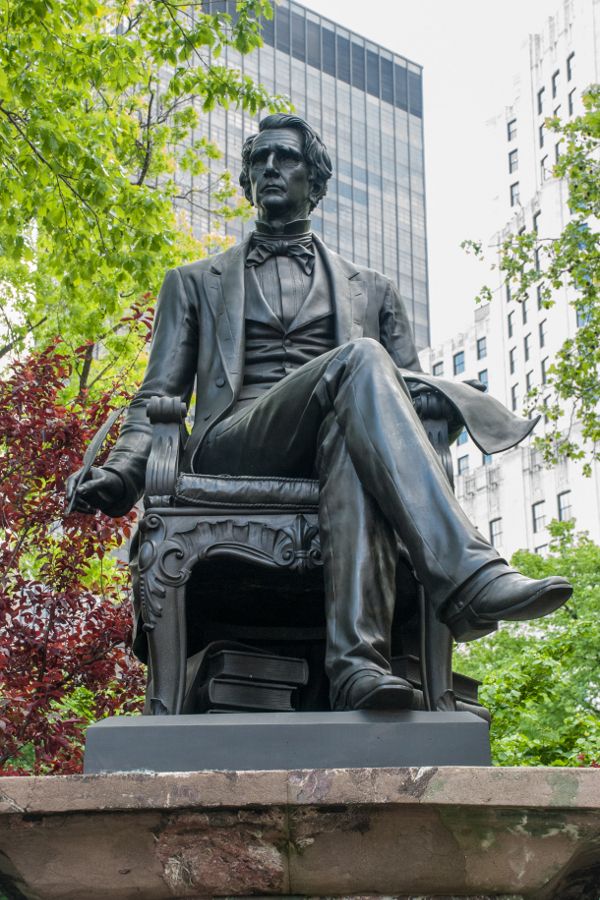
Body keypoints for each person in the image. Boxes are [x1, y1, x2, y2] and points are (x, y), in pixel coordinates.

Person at [67, 114, 572, 711]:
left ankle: (358, 665)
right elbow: (157, 398)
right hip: (235, 443)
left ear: (317, 180)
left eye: (287, 159)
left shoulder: (375, 289)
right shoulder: (193, 282)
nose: (271, 170)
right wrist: (124, 473)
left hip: (338, 444)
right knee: (359, 359)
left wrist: (438, 399)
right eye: (260, 161)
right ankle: (470, 577)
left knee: (353, 435)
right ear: (248, 180)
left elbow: (400, 398)